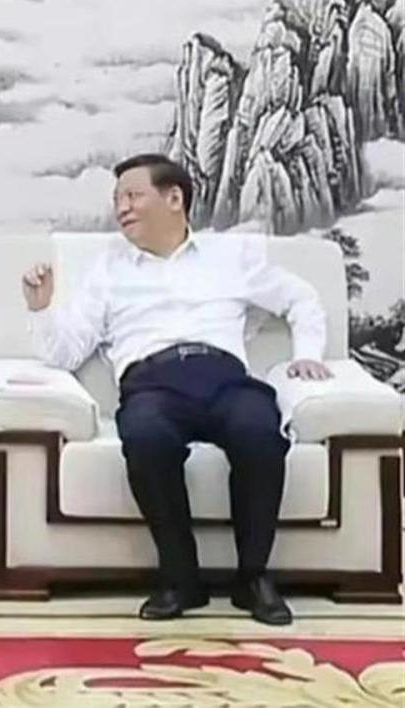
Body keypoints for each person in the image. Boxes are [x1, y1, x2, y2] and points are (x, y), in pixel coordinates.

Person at [21, 153, 331, 626]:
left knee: (259, 431)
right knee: (145, 438)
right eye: (117, 199)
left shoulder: (229, 259)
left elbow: (300, 298)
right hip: (152, 383)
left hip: (224, 378)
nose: (121, 208)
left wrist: (307, 353)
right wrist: (41, 308)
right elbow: (65, 353)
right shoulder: (107, 271)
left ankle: (253, 577)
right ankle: (180, 578)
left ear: (173, 199)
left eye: (132, 196)